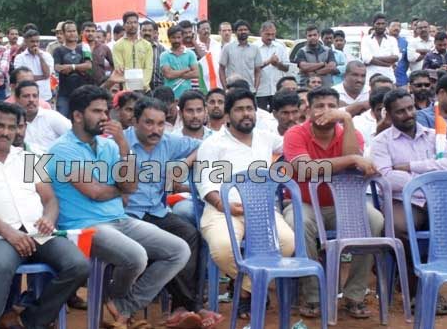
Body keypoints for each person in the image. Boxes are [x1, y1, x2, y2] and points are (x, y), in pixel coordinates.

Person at [46, 85, 188, 328]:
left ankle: (123, 308)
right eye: (97, 111)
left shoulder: (110, 146)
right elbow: (95, 192)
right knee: (136, 256)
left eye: (105, 111)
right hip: (84, 226)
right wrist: (119, 189)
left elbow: (130, 186)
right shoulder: (62, 149)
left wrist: (123, 147)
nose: (104, 117)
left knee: (179, 250)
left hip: (119, 219)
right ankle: (119, 309)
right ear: (78, 116)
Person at [0, 101, 88, 329]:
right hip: (1, 236)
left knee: (79, 265)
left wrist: (49, 218)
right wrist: (11, 234)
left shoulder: (29, 158)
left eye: (11, 127)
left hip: (40, 233)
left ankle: (29, 320)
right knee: (1, 267)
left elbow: (50, 199)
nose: (6, 132)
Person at [371, 88, 447, 315]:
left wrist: (411, 167)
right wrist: (427, 179)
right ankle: (418, 290)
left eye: (410, 108)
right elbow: (386, 177)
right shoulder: (381, 142)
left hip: (438, 200)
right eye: (400, 111)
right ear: (389, 114)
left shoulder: (434, 135)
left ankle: (424, 269)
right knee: (400, 230)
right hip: (403, 200)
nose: (408, 114)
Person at [284, 86, 383, 319]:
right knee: (298, 222)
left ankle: (354, 294)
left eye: (332, 106)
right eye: (319, 106)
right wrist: (350, 159)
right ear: (308, 110)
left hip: (343, 205)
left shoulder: (351, 132)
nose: (326, 111)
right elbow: (306, 169)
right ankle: (313, 296)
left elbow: (354, 163)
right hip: (304, 203)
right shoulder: (295, 133)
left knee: (374, 220)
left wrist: (347, 120)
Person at [121, 97, 221, 327]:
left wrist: (185, 163)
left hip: (157, 211)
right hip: (127, 215)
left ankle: (182, 306)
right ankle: (189, 307)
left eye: (160, 124)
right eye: (149, 123)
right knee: (167, 246)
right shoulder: (119, 143)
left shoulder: (168, 141)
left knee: (190, 234)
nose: (155, 130)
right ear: (135, 122)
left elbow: (208, 143)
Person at [198, 88, 296, 320]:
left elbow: (293, 145)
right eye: (239, 109)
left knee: (287, 242)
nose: (246, 114)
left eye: (250, 109)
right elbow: (205, 184)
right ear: (228, 114)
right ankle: (253, 289)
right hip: (223, 210)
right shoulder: (212, 144)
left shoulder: (266, 138)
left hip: (261, 210)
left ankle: (245, 290)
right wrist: (223, 205)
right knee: (223, 248)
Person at [16, 80, 69, 153]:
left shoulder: (52, 116)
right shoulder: (13, 122)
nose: (31, 100)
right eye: (26, 96)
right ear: (17, 99)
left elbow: (74, 137)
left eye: (35, 96)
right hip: (25, 159)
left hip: (52, 158)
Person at [54, 21, 94, 116]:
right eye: (69, 31)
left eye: (74, 31)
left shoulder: (84, 47)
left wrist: (71, 67)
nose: (72, 33)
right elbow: (58, 68)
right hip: (64, 94)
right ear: (63, 33)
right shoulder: (58, 50)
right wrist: (80, 67)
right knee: (63, 120)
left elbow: (89, 66)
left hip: (83, 93)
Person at [112, 12, 155, 90]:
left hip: (144, 89)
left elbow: (148, 68)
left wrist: (143, 85)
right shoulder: (117, 45)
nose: (133, 25)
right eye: (129, 23)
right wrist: (129, 87)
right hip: (126, 89)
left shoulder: (147, 45)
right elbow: (119, 68)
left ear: (138, 24)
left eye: (135, 22)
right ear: (124, 25)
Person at [218, 20, 263, 94]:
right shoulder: (227, 48)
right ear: (235, 32)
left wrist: (255, 89)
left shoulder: (255, 49)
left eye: (245, 30)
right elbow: (221, 69)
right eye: (240, 30)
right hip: (232, 89)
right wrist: (225, 88)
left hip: (249, 89)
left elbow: (258, 71)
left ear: (249, 32)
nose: (243, 32)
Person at [255, 21, 292, 106]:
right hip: (260, 91)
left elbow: (286, 68)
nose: (270, 37)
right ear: (261, 33)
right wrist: (268, 61)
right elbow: (251, 68)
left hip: (277, 90)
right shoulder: (254, 47)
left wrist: (277, 64)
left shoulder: (280, 47)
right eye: (267, 34)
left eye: (273, 34)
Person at [13, 29, 54, 101]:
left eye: (37, 41)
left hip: (44, 96)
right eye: (32, 41)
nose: (35, 44)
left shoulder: (46, 56)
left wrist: (40, 56)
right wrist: (42, 77)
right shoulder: (19, 58)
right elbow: (21, 78)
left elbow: (47, 74)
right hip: (26, 97)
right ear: (26, 42)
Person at [293, 25, 336, 90]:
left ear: (318, 36)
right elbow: (304, 67)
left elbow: (331, 67)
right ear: (306, 37)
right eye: (310, 35)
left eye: (315, 35)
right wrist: (322, 64)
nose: (312, 37)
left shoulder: (327, 50)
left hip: (326, 87)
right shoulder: (302, 51)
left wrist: (315, 73)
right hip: (306, 88)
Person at [361, 13, 400, 82]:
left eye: (383, 24)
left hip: (388, 78)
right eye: (378, 24)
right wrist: (387, 64)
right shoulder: (366, 39)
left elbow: (396, 57)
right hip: (370, 79)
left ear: (386, 25)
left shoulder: (392, 40)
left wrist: (373, 59)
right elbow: (366, 59)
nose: (380, 26)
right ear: (373, 25)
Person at [354, 87, 391, 151]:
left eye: (389, 109)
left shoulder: (404, 123)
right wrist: (379, 133)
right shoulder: (358, 124)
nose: (385, 113)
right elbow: (363, 155)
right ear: (373, 110)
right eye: (380, 109)